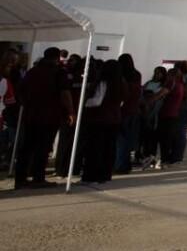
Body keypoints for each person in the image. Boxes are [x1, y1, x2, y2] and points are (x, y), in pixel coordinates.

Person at [13, 48, 72, 189]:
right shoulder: (58, 73)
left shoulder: (32, 72)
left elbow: (20, 90)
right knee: (43, 147)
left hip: (31, 114)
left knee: (26, 147)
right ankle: (38, 177)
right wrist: (71, 111)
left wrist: (26, 103)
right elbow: (65, 93)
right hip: (49, 115)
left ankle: (20, 178)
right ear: (57, 58)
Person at [81, 59, 123, 185]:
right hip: (114, 118)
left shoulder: (103, 83)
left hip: (99, 119)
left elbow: (97, 101)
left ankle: (92, 175)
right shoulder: (121, 83)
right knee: (108, 148)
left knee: (95, 148)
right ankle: (105, 174)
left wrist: (84, 103)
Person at [54, 55, 85, 178]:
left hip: (75, 112)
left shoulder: (80, 77)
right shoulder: (66, 76)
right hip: (68, 113)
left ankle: (68, 168)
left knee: (72, 142)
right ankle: (62, 168)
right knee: (65, 142)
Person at [113, 54, 142, 175]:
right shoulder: (137, 75)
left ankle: (120, 165)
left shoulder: (121, 77)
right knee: (128, 139)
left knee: (120, 140)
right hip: (133, 110)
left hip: (122, 110)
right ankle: (125, 164)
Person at [139, 66, 167, 168]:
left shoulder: (163, 85)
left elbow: (159, 98)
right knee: (144, 135)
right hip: (144, 109)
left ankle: (152, 155)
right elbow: (141, 93)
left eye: (159, 73)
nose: (157, 74)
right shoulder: (148, 83)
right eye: (155, 72)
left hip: (154, 111)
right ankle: (144, 155)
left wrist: (150, 100)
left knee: (152, 135)